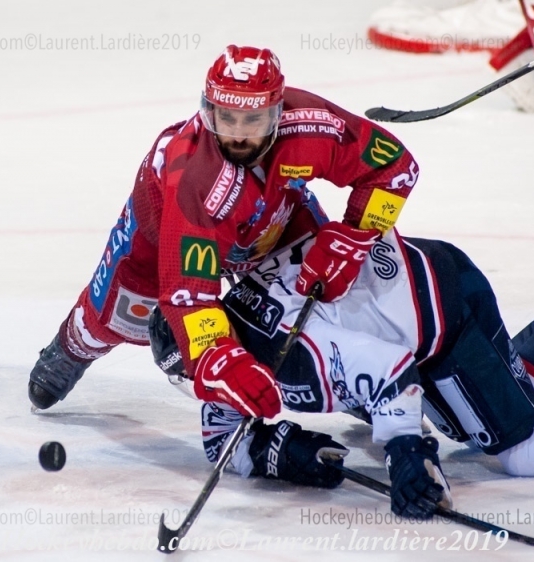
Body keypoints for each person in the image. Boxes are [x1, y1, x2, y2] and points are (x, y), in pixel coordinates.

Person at [149, 229, 534, 519]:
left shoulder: (294, 349)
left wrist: (405, 453)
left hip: (440, 313)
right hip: (417, 292)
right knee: (473, 423)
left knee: (529, 451)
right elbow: (223, 438)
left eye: (195, 373)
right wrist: (280, 454)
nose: (204, 387)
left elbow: (390, 369)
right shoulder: (222, 340)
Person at [27, 44, 421, 411]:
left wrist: (356, 235)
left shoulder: (313, 126)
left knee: (326, 297)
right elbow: (188, 297)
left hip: (274, 216)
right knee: (114, 316)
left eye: (253, 119)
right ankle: (75, 345)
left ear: (277, 112)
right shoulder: (195, 183)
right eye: (227, 117)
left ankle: (347, 377)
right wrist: (222, 361)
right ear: (209, 110)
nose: (237, 133)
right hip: (163, 229)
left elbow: (395, 169)